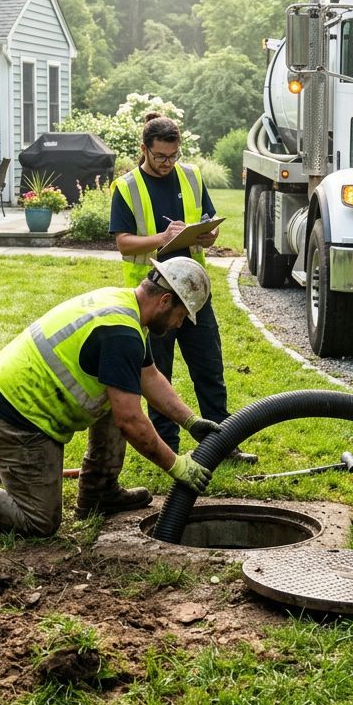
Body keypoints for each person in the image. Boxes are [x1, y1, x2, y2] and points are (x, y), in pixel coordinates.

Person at [0, 257, 219, 535]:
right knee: (38, 519)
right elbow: (130, 421)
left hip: (21, 400)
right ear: (164, 301)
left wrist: (190, 421)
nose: (178, 325)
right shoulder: (121, 332)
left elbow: (148, 376)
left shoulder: (122, 304)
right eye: (180, 316)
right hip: (14, 418)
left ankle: (99, 493)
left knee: (121, 389)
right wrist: (176, 466)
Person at [109, 113, 256, 464]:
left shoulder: (190, 176)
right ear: (144, 149)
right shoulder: (127, 187)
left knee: (209, 366)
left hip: (193, 289)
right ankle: (168, 449)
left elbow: (209, 219)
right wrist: (164, 238)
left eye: (173, 156)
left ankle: (223, 442)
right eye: (160, 156)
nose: (167, 163)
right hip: (156, 295)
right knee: (158, 373)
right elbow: (124, 243)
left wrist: (209, 234)